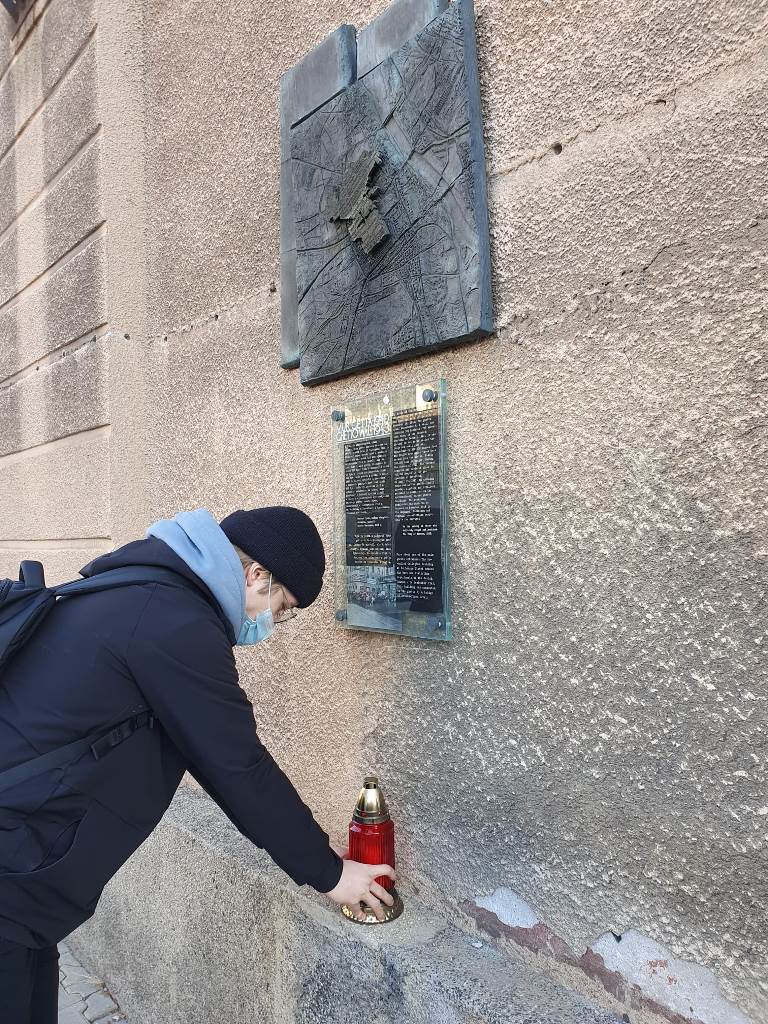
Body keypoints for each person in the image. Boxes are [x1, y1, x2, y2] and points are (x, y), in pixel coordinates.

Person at [0, 506, 395, 1023]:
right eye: (282, 607)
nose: (274, 624)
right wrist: (331, 873)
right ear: (257, 575)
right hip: (15, 864)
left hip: (24, 871)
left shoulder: (142, 584)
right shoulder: (175, 621)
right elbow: (237, 766)